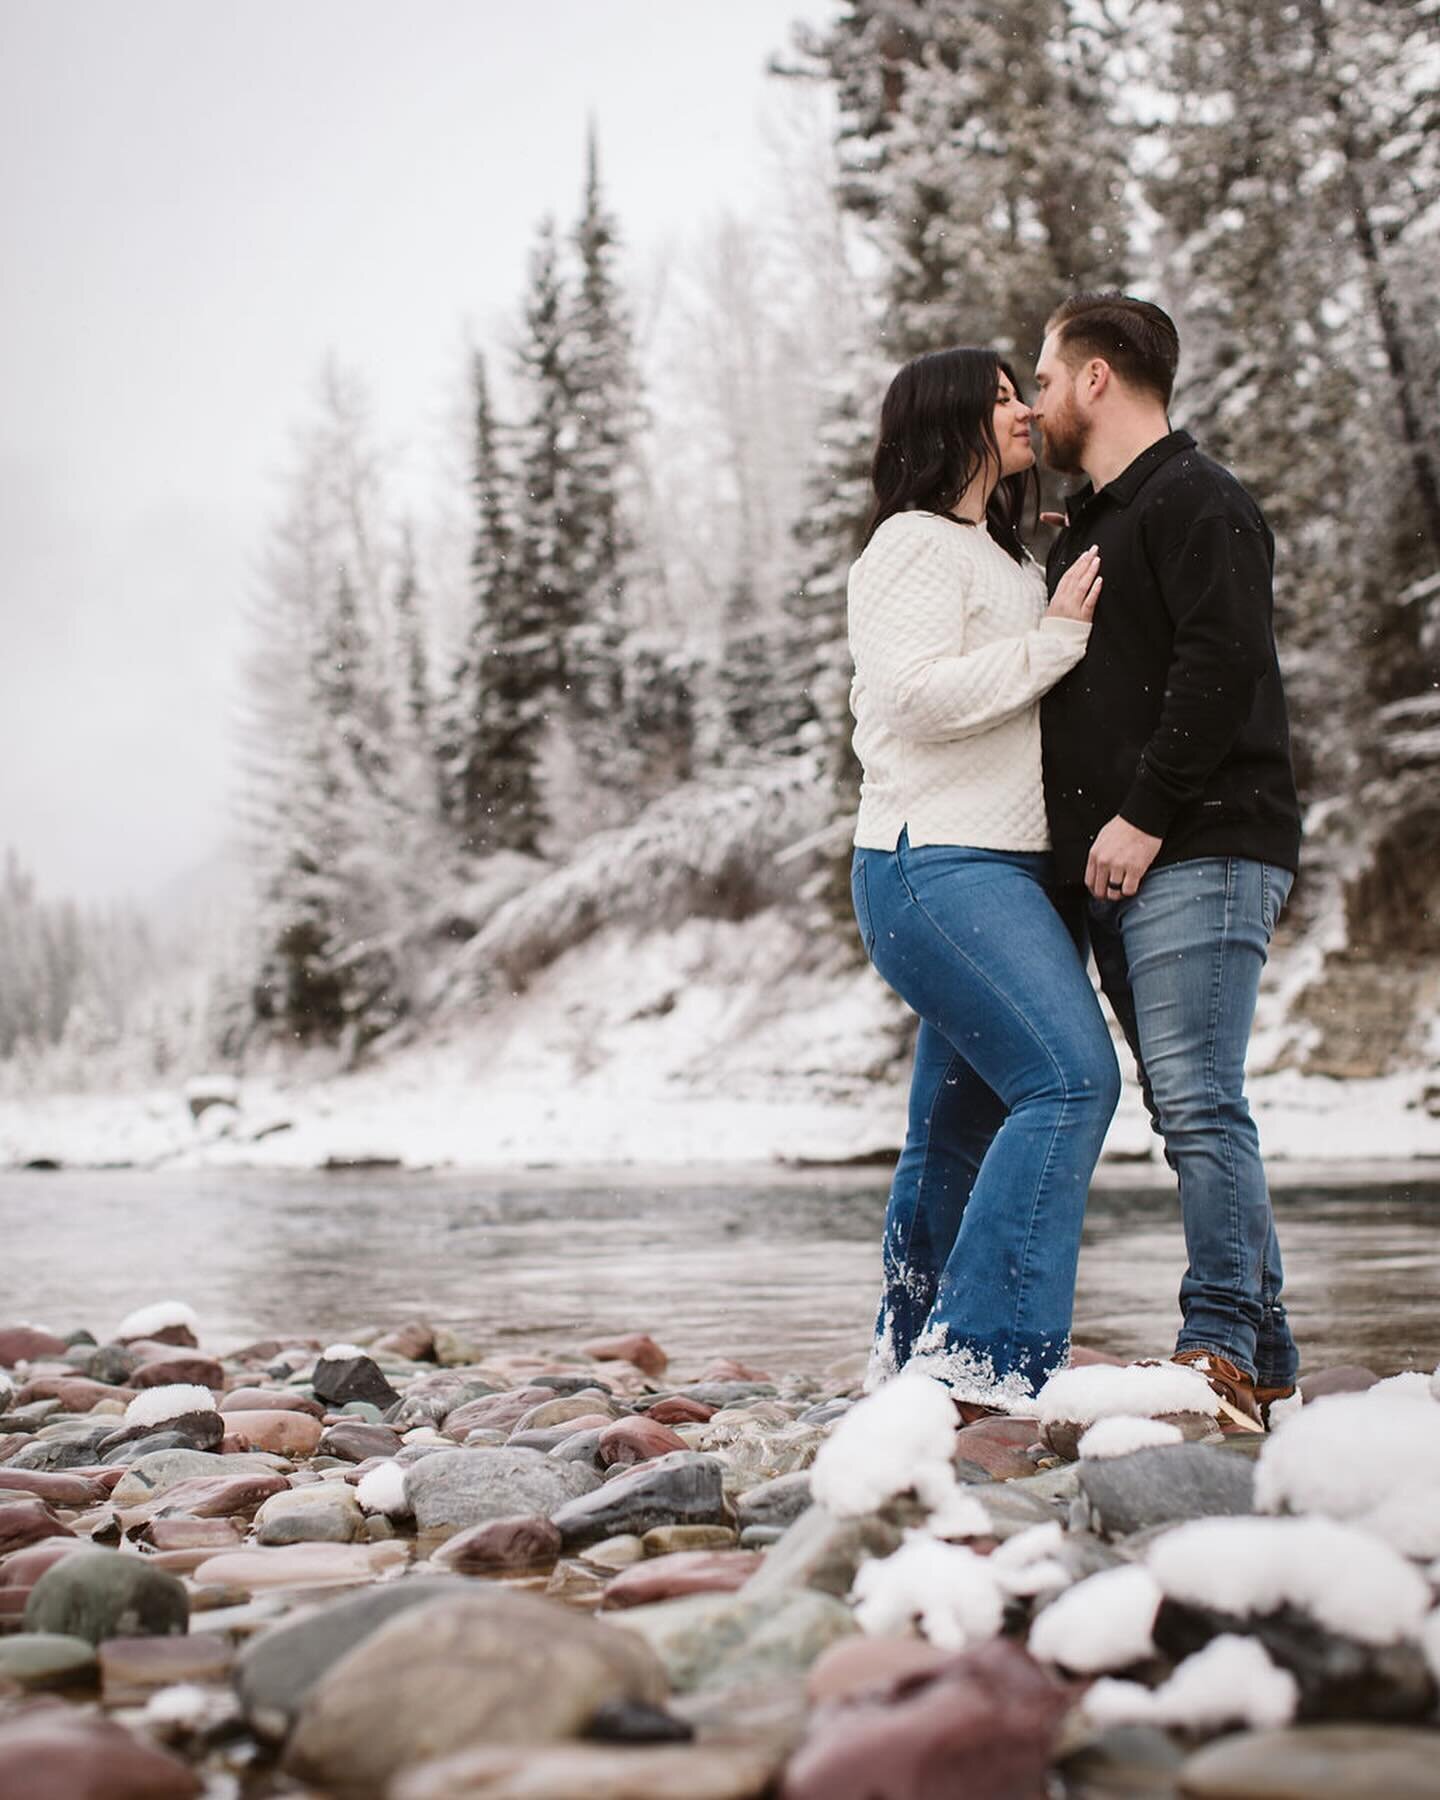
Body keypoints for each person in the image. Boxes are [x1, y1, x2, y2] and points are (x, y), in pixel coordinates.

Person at [1033, 292, 1303, 1426]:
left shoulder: (1200, 498)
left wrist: (1142, 814)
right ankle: (1269, 1353)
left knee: (1198, 1103)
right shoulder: (1089, 525)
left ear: (1098, 379)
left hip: (1200, 843)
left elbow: (1222, 660)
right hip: (1127, 865)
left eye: (1044, 376)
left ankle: (1218, 1347)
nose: (1035, 399)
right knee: (1187, 1103)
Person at [847, 346, 1120, 1418]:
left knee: (958, 1128)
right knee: (1069, 1081)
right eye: (1001, 397)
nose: (1023, 410)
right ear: (949, 418)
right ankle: (989, 1362)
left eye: (1024, 391)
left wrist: (1038, 593)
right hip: (934, 861)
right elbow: (913, 698)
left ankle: (909, 1358)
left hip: (1004, 869)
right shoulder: (911, 545)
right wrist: (1053, 641)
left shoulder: (999, 556)